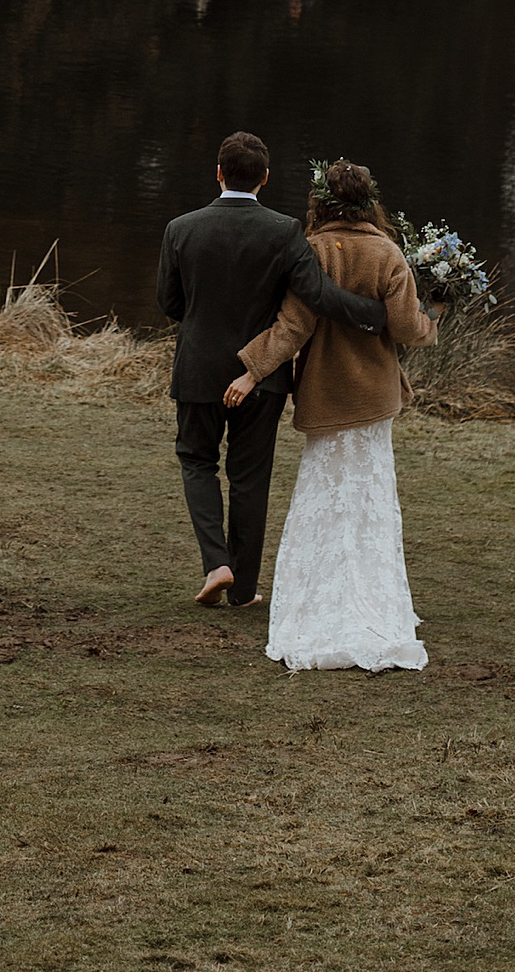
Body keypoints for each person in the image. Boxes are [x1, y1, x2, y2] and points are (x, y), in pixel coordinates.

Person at [156, 132, 389, 610]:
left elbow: (170, 303)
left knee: (197, 462)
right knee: (250, 477)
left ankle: (215, 562)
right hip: (263, 378)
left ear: (219, 173)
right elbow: (319, 297)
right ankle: (242, 590)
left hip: (198, 370)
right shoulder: (284, 231)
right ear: (265, 178)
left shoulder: (181, 228)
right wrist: (376, 315)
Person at [226, 157, 436, 672]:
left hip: (325, 396)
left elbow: (292, 326)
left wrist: (251, 371)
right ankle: (372, 597)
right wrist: (434, 321)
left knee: (324, 494)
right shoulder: (388, 253)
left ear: (320, 202)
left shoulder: (313, 250)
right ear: (369, 203)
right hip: (375, 399)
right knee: (369, 497)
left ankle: (318, 599)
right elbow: (409, 330)